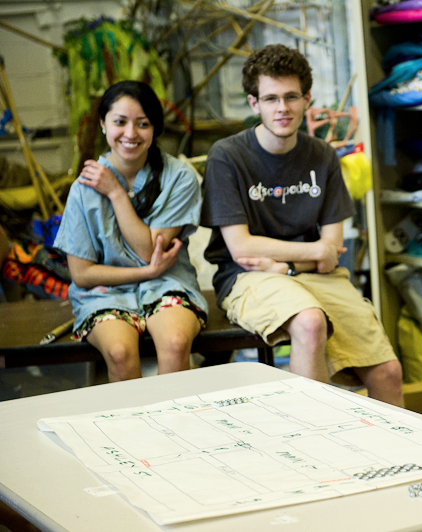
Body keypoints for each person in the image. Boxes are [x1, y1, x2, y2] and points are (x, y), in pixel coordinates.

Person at [200, 44, 403, 406]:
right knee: (310, 323)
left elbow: (333, 251)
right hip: (245, 278)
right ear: (254, 104)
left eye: (291, 97)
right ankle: (317, 448)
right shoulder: (227, 156)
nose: (283, 108)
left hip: (315, 275)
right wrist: (312, 252)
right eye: (271, 98)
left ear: (306, 99)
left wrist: (287, 264)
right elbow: (242, 250)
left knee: (388, 372)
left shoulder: (321, 154)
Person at [53, 81, 207, 383]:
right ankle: (132, 432)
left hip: (168, 281)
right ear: (103, 124)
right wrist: (146, 273)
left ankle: (177, 428)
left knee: (175, 344)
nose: (131, 134)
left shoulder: (180, 177)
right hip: (104, 293)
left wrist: (116, 193)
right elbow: (82, 275)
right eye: (119, 122)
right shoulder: (83, 188)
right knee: (120, 352)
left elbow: (149, 252)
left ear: (155, 128)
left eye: (143, 124)